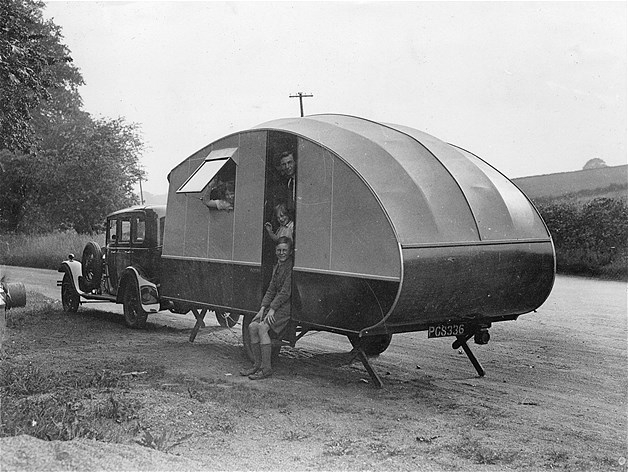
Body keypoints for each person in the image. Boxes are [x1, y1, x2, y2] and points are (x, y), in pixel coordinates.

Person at [240, 236, 293, 380]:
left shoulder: (290, 267)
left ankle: (266, 369)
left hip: (284, 308)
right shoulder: (278, 266)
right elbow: (271, 289)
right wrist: (263, 308)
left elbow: (285, 293)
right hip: (274, 306)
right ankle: (257, 365)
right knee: (252, 326)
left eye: (284, 250)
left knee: (263, 328)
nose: (281, 253)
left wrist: (273, 309)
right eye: (279, 250)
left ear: (289, 252)